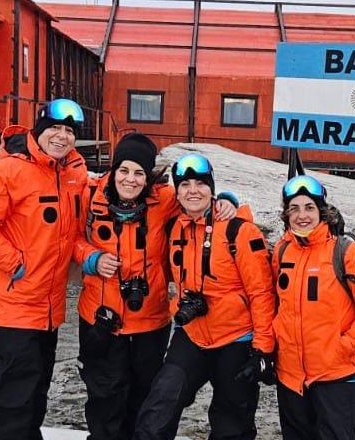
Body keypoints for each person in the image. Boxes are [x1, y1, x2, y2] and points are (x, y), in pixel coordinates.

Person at [73, 134, 238, 440]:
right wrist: (91, 257)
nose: (131, 180)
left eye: (139, 173)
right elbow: (70, 238)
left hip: (149, 320)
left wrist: (228, 200)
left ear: (148, 176)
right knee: (104, 399)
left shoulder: (163, 200)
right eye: (124, 170)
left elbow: (198, 200)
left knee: (145, 398)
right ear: (114, 169)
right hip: (100, 316)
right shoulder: (90, 194)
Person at [0, 98, 88, 440]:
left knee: (36, 388)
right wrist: (15, 263)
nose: (62, 137)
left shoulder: (73, 174)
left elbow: (83, 223)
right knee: (13, 393)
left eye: (70, 131)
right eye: (55, 129)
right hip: (16, 301)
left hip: (49, 305)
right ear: (39, 129)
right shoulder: (7, 172)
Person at [133, 152, 276, 440]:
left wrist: (263, 349)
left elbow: (261, 293)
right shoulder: (175, 228)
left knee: (231, 422)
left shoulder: (239, 231)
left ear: (211, 188)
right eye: (185, 185)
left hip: (237, 339)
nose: (193, 191)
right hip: (193, 334)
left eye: (200, 184)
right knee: (159, 406)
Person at [271, 174, 355, 440]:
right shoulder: (282, 251)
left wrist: (344, 348)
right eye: (294, 208)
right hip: (291, 377)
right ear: (286, 215)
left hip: (339, 375)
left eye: (309, 207)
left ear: (322, 212)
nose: (302, 215)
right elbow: (275, 303)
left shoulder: (351, 252)